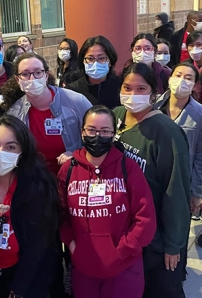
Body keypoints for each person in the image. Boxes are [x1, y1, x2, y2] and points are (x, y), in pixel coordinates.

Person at [58, 105, 156, 298]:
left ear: (113, 135)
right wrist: (72, 245)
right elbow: (61, 215)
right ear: (82, 132)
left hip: (124, 269)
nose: (97, 136)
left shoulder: (128, 168)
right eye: (92, 130)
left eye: (104, 131)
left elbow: (145, 218)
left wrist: (122, 251)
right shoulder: (68, 170)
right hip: (84, 269)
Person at [114, 62, 191, 298]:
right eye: (127, 88)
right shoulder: (115, 117)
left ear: (154, 93)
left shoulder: (165, 132)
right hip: (126, 231)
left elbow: (176, 191)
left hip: (158, 237)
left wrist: (173, 245)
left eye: (141, 89)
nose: (133, 95)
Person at [0, 115, 60, 298]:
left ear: (22, 152)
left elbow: (37, 248)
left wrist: (19, 289)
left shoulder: (37, 188)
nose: (0, 152)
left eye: (10, 147)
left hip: (26, 276)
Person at [2, 52, 92, 175]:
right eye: (25, 74)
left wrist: (78, 154)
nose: (32, 79)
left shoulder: (77, 101)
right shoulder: (14, 113)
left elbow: (99, 137)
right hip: (36, 180)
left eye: (38, 72)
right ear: (18, 80)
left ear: (46, 75)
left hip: (75, 174)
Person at [154, 61, 202, 221]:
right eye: (178, 75)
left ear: (194, 85)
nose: (182, 80)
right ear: (170, 79)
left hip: (182, 183)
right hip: (153, 179)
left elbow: (200, 157)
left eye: (188, 78)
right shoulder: (154, 107)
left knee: (177, 232)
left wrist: (196, 192)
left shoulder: (199, 115)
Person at [65, 36, 121, 108]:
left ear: (110, 61)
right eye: (90, 58)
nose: (96, 63)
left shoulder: (121, 87)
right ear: (83, 61)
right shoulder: (72, 91)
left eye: (101, 58)